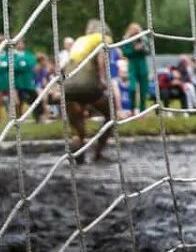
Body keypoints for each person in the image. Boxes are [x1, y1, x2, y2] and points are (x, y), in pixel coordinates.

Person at [61, 19, 116, 160]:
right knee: (111, 113)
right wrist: (104, 80)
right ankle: (99, 152)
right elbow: (101, 58)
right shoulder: (103, 38)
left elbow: (67, 63)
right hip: (88, 83)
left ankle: (77, 146)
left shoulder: (79, 40)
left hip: (69, 84)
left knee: (77, 122)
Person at [120, 22, 155, 112]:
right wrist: (134, 49)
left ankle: (142, 110)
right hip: (132, 66)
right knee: (132, 88)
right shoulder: (127, 40)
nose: (136, 33)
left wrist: (142, 48)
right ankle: (132, 109)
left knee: (143, 90)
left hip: (143, 66)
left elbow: (148, 51)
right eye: (134, 32)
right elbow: (124, 53)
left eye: (137, 32)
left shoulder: (144, 39)